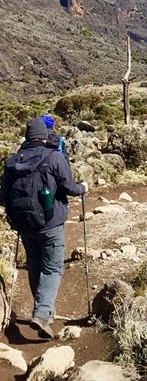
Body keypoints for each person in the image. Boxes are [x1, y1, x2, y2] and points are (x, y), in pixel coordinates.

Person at [0, 118, 88, 339]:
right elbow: (70, 188)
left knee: (35, 266)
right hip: (50, 224)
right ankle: (41, 313)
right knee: (52, 269)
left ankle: (46, 314)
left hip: (23, 225)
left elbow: (3, 197)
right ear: (45, 135)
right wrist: (84, 187)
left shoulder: (12, 162)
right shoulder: (54, 157)